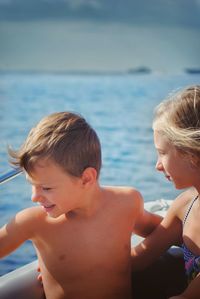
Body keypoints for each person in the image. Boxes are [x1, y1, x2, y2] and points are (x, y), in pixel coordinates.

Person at [0, 111, 162, 299]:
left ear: (86, 178)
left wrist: (137, 259)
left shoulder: (126, 203)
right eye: (32, 186)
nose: (34, 197)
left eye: (46, 188)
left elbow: (166, 230)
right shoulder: (33, 223)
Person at [131, 85, 200, 299]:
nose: (157, 165)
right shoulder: (185, 206)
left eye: (162, 153)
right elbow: (137, 260)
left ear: (192, 154)